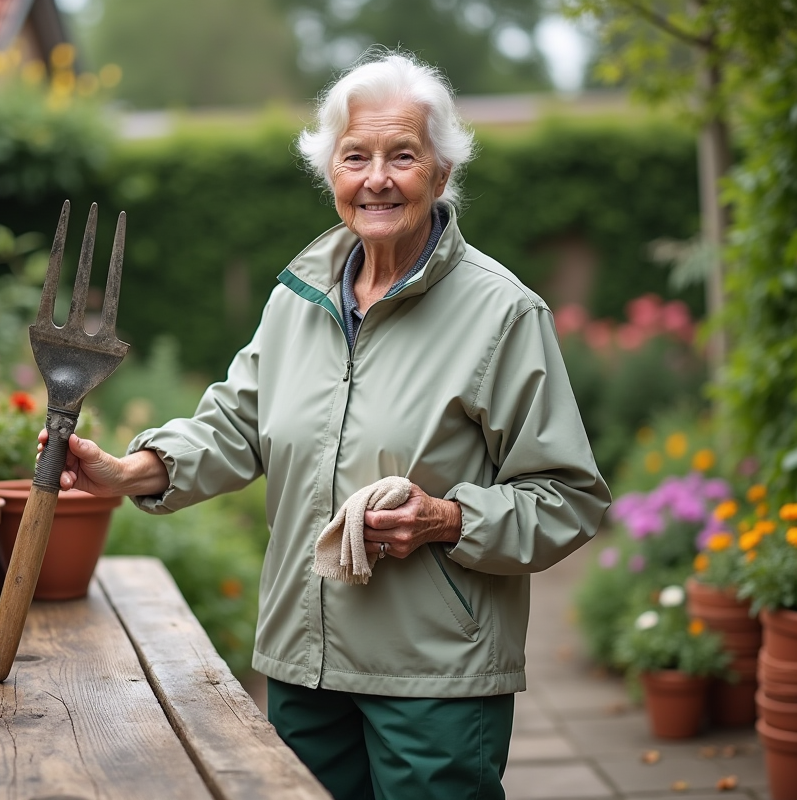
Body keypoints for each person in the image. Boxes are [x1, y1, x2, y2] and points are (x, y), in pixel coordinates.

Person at [41, 49, 610, 800]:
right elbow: (237, 424)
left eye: (402, 155)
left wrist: (445, 518)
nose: (377, 177)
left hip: (433, 673)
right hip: (302, 659)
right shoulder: (299, 295)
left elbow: (569, 497)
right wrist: (125, 471)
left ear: (440, 173)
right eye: (356, 156)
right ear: (331, 174)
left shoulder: (501, 314)